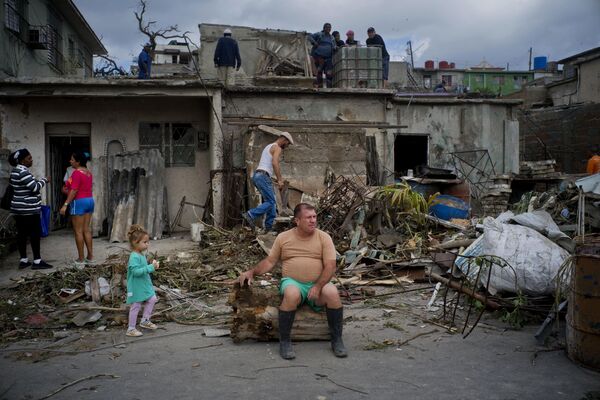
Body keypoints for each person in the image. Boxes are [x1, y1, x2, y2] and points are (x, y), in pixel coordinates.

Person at [239, 203, 347, 359]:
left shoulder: (324, 237)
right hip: (293, 282)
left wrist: (318, 286)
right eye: (308, 217)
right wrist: (252, 272)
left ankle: (337, 340)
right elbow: (270, 262)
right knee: (291, 294)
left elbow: (330, 266)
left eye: (314, 217)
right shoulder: (284, 238)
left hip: (318, 283)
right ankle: (285, 342)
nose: (313, 221)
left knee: (332, 293)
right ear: (297, 220)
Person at [8, 148, 53, 270]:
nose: (31, 160)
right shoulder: (23, 172)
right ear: (22, 161)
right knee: (34, 234)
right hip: (28, 209)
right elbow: (34, 187)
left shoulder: (15, 171)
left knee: (22, 234)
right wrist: (45, 180)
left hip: (18, 208)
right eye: (29, 158)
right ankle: (37, 261)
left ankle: (24, 260)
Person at [242, 132, 293, 232]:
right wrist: (279, 179)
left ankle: (268, 227)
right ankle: (250, 214)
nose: (287, 146)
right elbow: (275, 163)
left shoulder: (269, 146)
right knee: (271, 201)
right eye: (288, 144)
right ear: (284, 140)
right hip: (263, 176)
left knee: (271, 202)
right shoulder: (277, 147)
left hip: (259, 176)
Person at [60, 151, 94, 266]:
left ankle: (80, 258)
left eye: (72, 160)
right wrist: (67, 189)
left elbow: (73, 190)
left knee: (78, 232)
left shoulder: (76, 173)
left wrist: (65, 204)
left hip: (79, 202)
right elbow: (70, 186)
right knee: (86, 230)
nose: (70, 161)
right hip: (89, 201)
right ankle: (90, 256)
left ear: (78, 161)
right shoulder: (88, 173)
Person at [125, 224, 160, 337]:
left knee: (152, 298)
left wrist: (152, 266)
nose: (147, 244)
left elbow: (143, 269)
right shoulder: (134, 256)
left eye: (147, 241)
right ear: (135, 242)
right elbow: (136, 272)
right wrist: (150, 268)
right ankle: (131, 328)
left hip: (144, 285)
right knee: (136, 305)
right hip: (136, 286)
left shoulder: (141, 254)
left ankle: (145, 320)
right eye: (145, 242)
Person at [309, 23, 336, 88]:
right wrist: (314, 43)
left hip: (328, 58)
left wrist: (335, 48)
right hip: (319, 57)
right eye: (327, 27)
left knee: (329, 74)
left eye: (329, 28)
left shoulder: (332, 37)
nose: (328, 29)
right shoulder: (319, 34)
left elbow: (334, 46)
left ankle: (329, 90)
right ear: (324, 28)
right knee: (319, 73)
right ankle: (320, 89)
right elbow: (309, 36)